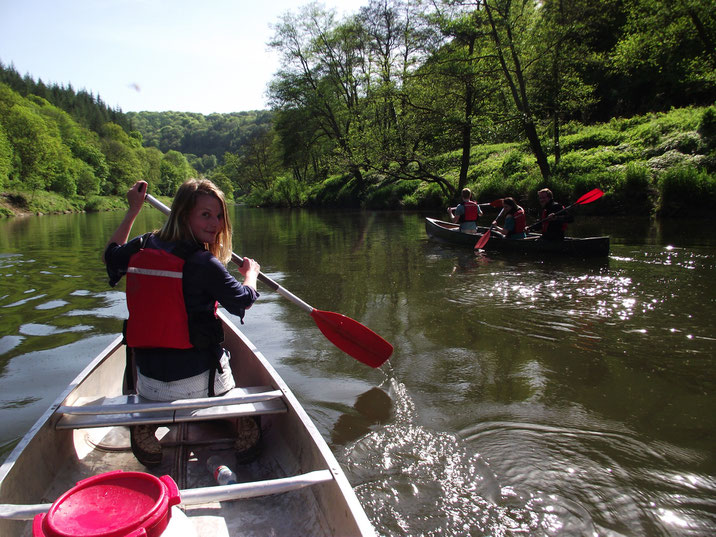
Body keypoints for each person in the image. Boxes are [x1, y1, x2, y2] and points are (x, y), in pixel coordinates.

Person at [103, 179, 261, 466]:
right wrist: (251, 273)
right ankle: (240, 421)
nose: (215, 224)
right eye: (205, 214)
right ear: (184, 214)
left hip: (148, 382)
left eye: (219, 215)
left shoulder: (140, 246)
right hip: (199, 384)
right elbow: (242, 300)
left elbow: (111, 256)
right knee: (226, 355)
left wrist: (133, 210)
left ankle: (148, 421)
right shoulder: (203, 262)